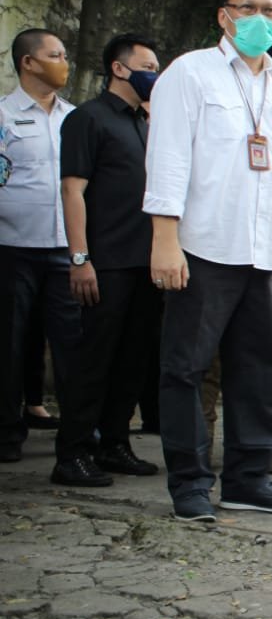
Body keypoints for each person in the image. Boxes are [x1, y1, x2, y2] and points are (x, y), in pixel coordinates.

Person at [144, 0, 272, 521]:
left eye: (271, 11)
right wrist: (165, 238)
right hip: (203, 246)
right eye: (249, 8)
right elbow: (168, 157)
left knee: (258, 369)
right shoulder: (190, 73)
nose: (260, 19)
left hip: (262, 251)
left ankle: (247, 479)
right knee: (186, 368)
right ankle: (190, 483)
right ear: (225, 16)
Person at [52, 34, 164, 486]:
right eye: (148, 67)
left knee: (133, 359)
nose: (154, 75)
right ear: (119, 69)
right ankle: (73, 453)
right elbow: (72, 190)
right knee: (93, 360)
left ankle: (115, 443)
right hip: (105, 262)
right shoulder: (88, 118)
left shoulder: (146, 124)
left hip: (146, 261)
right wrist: (80, 258)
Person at [0, 28, 78, 464]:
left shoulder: (74, 118)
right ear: (28, 62)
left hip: (66, 249)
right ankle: (7, 432)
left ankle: (78, 434)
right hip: (13, 247)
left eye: (65, 55)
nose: (64, 63)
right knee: (9, 345)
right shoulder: (4, 115)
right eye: (55, 55)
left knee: (72, 343)